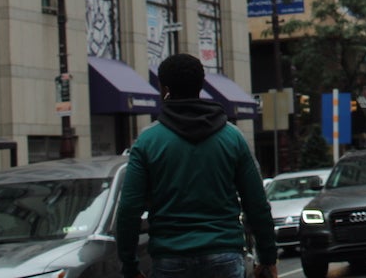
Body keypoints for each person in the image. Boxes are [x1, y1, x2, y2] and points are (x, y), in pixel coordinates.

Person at [117, 53, 278, 278]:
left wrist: (129, 264)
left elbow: (128, 210)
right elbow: (257, 203)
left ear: (164, 88)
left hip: (169, 258)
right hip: (224, 254)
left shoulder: (147, 142)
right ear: (201, 85)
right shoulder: (232, 138)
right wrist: (268, 257)